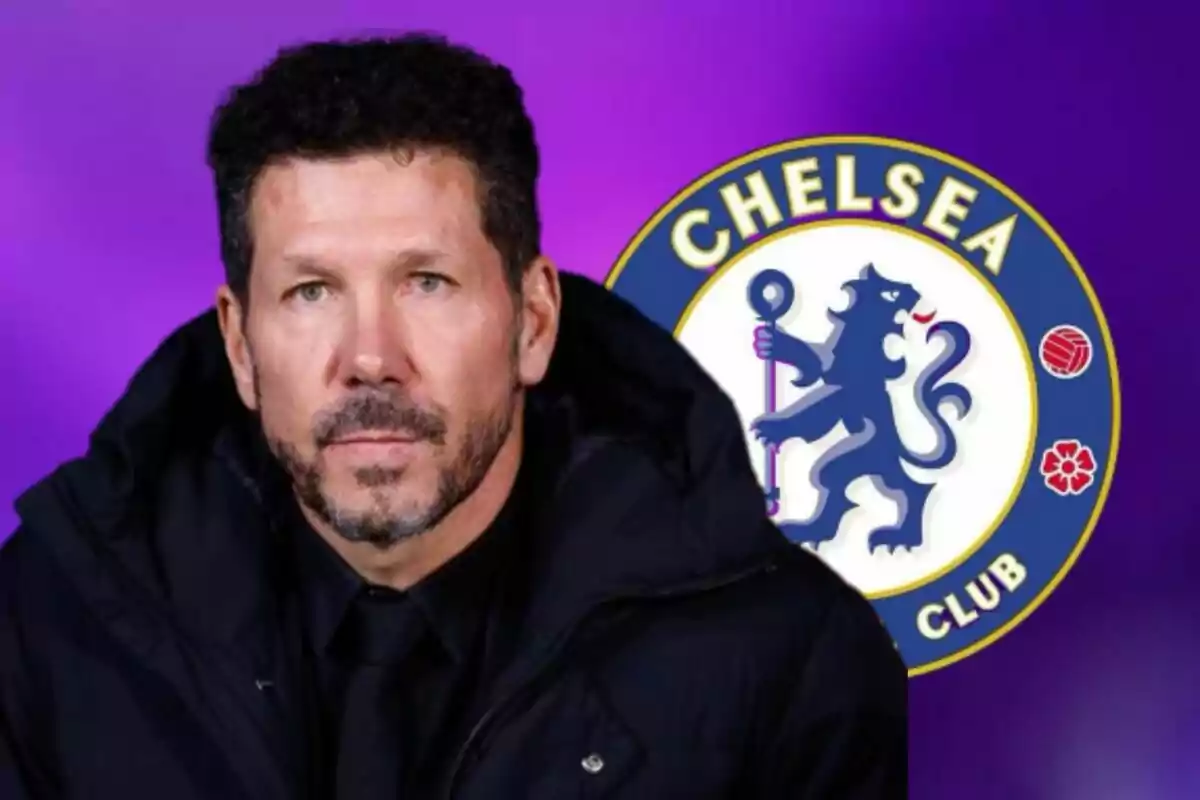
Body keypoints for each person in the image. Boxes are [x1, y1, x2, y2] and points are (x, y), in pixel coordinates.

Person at [0, 34, 907, 799]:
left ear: (534, 322)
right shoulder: (46, 627)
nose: (369, 357)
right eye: (311, 290)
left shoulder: (791, 661)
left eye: (426, 283)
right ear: (239, 344)